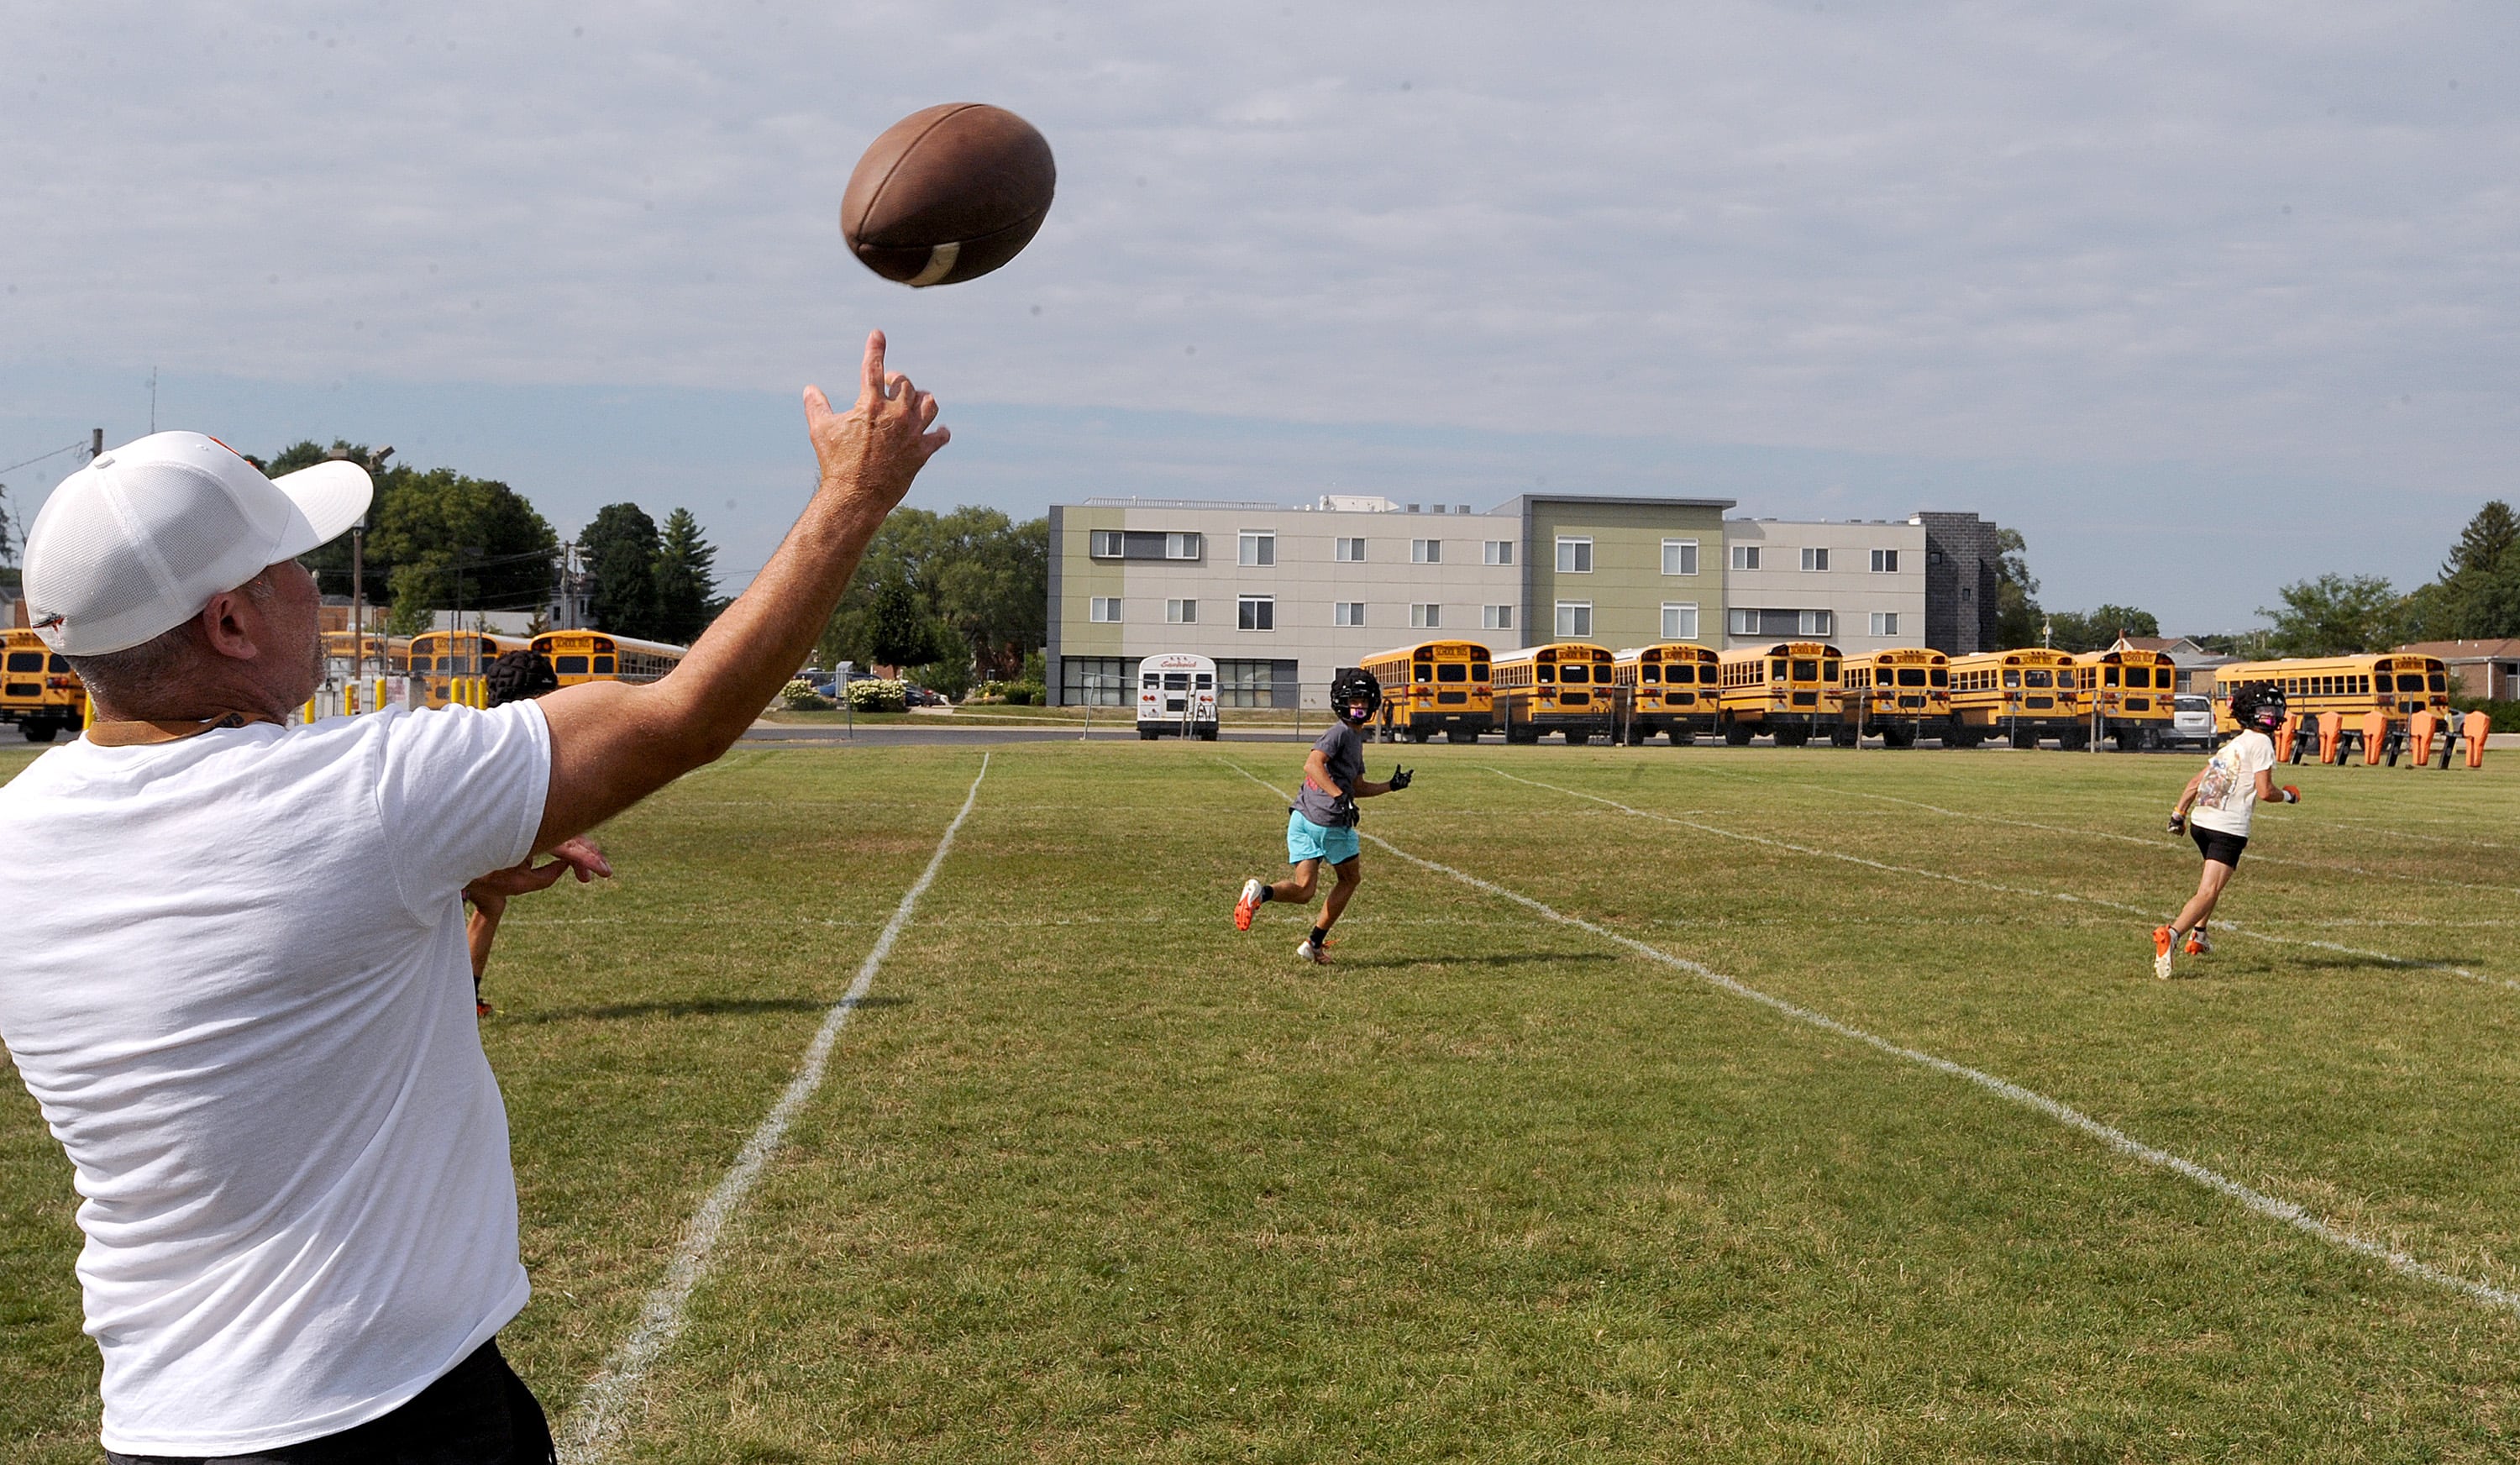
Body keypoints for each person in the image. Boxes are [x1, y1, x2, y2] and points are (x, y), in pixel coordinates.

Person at [0, 329, 945, 1462]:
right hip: (391, 1417)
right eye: (290, 565)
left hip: (160, 1424)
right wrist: (854, 495)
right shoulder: (356, 796)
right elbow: (680, 716)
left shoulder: (21, 837)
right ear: (232, 623)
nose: (316, 585)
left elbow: (228, 970)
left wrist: (380, 914)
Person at [1233, 667, 1411, 963]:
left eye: (1364, 702)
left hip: (1302, 818)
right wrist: (1339, 797)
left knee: (1304, 891)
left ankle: (1259, 894)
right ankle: (1314, 944)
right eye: (1354, 701)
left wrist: (1390, 787)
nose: (1360, 707)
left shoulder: (1354, 736)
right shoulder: (1340, 732)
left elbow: (1357, 787)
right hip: (1326, 822)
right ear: (1342, 702)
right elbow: (1312, 764)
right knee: (1350, 880)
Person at [469, 649, 601, 1017]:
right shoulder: (506, 744)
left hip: (459, 851)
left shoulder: (492, 733)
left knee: (491, 902)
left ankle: (465, 997)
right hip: (443, 855)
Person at [2154, 681, 2299, 979]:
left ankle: (2199, 935)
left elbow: (2197, 780)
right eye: (2266, 711)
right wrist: (2289, 795)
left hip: (2202, 822)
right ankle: (2173, 933)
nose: (2272, 715)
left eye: (2274, 709)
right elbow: (2265, 791)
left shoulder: (2233, 744)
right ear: (2250, 713)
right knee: (2208, 891)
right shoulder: (2261, 743)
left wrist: (2178, 813)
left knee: (2212, 885)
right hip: (2227, 828)